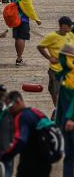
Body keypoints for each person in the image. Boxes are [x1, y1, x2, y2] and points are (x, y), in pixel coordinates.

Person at [0, 91, 52, 177]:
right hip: (45, 162)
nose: (10, 111)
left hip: (30, 164)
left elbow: (20, 140)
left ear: (18, 101)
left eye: (11, 107)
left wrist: (3, 157)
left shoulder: (21, 117)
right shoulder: (37, 113)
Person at [37, 15, 74, 106]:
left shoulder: (71, 35)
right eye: (69, 25)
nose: (70, 27)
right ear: (62, 25)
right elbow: (40, 47)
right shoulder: (52, 36)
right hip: (56, 70)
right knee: (55, 92)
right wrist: (49, 58)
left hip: (69, 70)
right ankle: (57, 110)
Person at [55, 43, 74, 177]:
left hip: (71, 121)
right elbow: (60, 103)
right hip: (66, 123)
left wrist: (71, 118)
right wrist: (57, 124)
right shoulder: (64, 76)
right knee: (68, 156)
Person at [11, 0, 41, 65]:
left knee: (17, 38)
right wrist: (36, 19)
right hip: (23, 20)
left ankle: (18, 56)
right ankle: (19, 58)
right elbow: (30, 9)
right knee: (21, 38)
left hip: (14, 19)